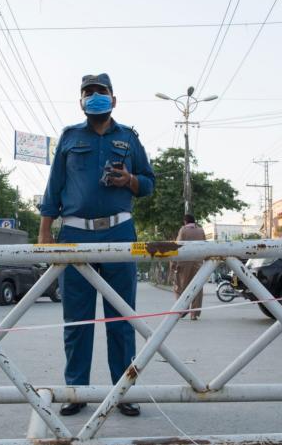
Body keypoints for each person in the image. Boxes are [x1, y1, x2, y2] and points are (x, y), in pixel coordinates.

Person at [39, 73, 155, 418]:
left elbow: (149, 182)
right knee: (77, 320)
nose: (94, 97)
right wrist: (45, 234)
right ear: (81, 102)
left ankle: (124, 391)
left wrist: (131, 180)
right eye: (87, 93)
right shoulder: (69, 137)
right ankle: (76, 391)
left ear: (113, 99)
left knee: (121, 317)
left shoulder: (129, 139)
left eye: (100, 92)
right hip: (75, 235)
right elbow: (54, 187)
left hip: (119, 234)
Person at [173, 214, 206, 320]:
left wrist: (173, 263)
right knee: (197, 287)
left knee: (180, 287)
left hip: (184, 264)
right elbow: (205, 246)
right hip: (198, 263)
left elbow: (177, 247)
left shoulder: (183, 230)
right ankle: (194, 314)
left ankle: (183, 309)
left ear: (185, 222)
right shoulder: (201, 231)